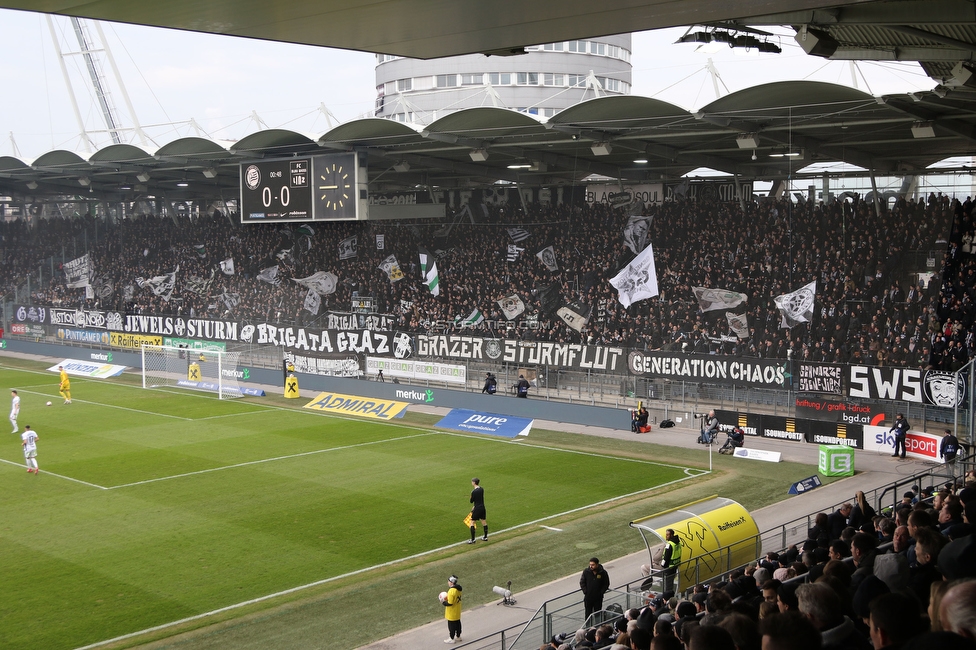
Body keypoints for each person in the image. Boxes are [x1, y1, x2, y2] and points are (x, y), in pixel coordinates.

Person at [579, 557, 611, 623]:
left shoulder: (603, 572)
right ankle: (588, 628)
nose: (591, 566)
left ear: (597, 564)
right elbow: (582, 582)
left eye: (593, 565)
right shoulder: (586, 572)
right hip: (588, 597)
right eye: (590, 564)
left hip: (598, 598)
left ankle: (597, 627)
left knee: (597, 614)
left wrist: (601, 592)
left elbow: (606, 583)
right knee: (588, 614)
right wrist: (585, 592)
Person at [441, 574, 463, 644]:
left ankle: (451, 638)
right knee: (458, 624)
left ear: (452, 582)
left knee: (451, 626)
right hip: (457, 610)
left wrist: (443, 602)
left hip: (452, 611)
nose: (448, 582)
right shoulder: (458, 589)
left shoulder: (451, 591)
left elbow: (450, 603)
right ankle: (458, 636)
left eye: (449, 581)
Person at [661, 528, 682, 593]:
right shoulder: (678, 543)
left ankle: (668, 596)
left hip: (669, 567)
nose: (666, 536)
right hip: (675, 565)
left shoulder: (669, 544)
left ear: (672, 535)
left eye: (668, 535)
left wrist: (663, 565)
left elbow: (666, 557)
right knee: (671, 582)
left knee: (668, 584)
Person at [468, 477, 488, 543]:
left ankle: (473, 539)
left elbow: (471, 501)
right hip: (482, 507)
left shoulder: (473, 492)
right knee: (484, 522)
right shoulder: (481, 489)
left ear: (474, 482)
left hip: (477, 508)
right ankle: (485, 537)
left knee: (472, 522)